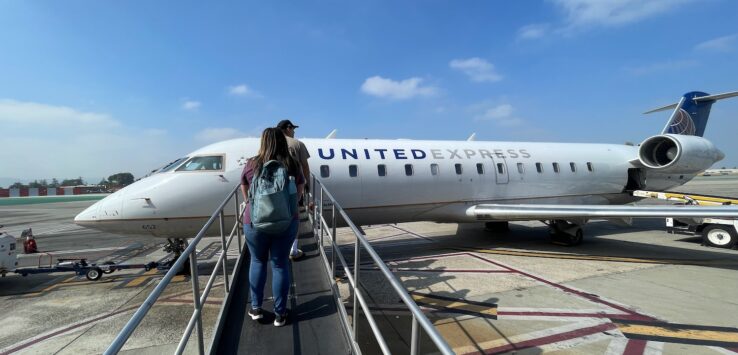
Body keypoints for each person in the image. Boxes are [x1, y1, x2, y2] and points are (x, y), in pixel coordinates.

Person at [241, 127, 305, 327]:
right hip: (286, 221)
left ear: (263, 142)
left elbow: (244, 184)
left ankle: (257, 308)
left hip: (255, 221)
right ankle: (280, 314)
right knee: (280, 265)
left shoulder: (252, 163)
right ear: (283, 141)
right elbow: (301, 186)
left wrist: (251, 205)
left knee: (258, 261)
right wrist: (290, 207)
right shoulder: (291, 163)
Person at [277, 119, 311, 261]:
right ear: (288, 128)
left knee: (277, 216)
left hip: (274, 188)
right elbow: (305, 167)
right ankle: (293, 249)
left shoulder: (272, 143)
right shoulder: (297, 144)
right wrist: (307, 185)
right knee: (294, 217)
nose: (295, 131)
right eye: (293, 128)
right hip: (292, 186)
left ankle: (278, 248)